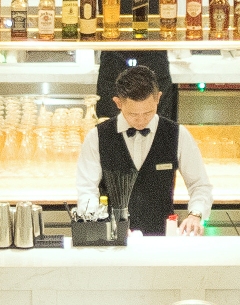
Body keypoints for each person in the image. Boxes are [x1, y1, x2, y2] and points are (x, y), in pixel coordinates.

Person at [72, 64, 209, 236]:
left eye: (148, 112)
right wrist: (102, 224)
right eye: (133, 114)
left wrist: (195, 214)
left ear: (158, 98)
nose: (141, 120)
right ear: (118, 103)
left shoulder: (178, 134)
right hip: (112, 240)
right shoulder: (97, 137)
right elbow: (86, 190)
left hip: (161, 238)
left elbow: (200, 185)